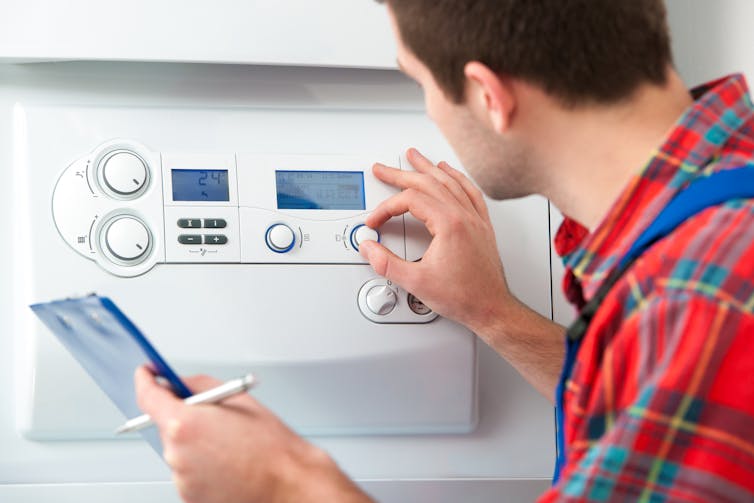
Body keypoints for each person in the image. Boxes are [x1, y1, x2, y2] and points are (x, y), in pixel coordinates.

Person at [135, 0, 754, 501]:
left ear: (489, 95)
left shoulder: (697, 297)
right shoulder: (715, 213)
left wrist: (284, 482)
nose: (430, 111)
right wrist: (491, 312)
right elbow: (645, 411)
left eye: (420, 82)